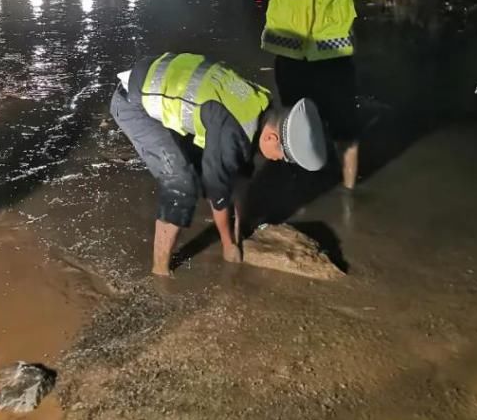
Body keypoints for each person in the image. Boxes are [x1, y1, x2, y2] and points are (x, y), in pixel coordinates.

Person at [110, 52, 328, 276]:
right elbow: (219, 193)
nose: (279, 159)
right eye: (282, 155)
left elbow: (241, 172)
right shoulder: (231, 131)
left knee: (217, 163)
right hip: (133, 104)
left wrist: (239, 226)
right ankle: (160, 269)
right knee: (182, 185)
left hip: (160, 77)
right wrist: (228, 245)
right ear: (272, 138)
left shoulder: (261, 104)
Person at [252, 0, 397, 190]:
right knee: (294, 128)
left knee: (346, 127)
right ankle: (302, 188)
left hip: (333, 51)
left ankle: (349, 197)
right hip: (291, 52)